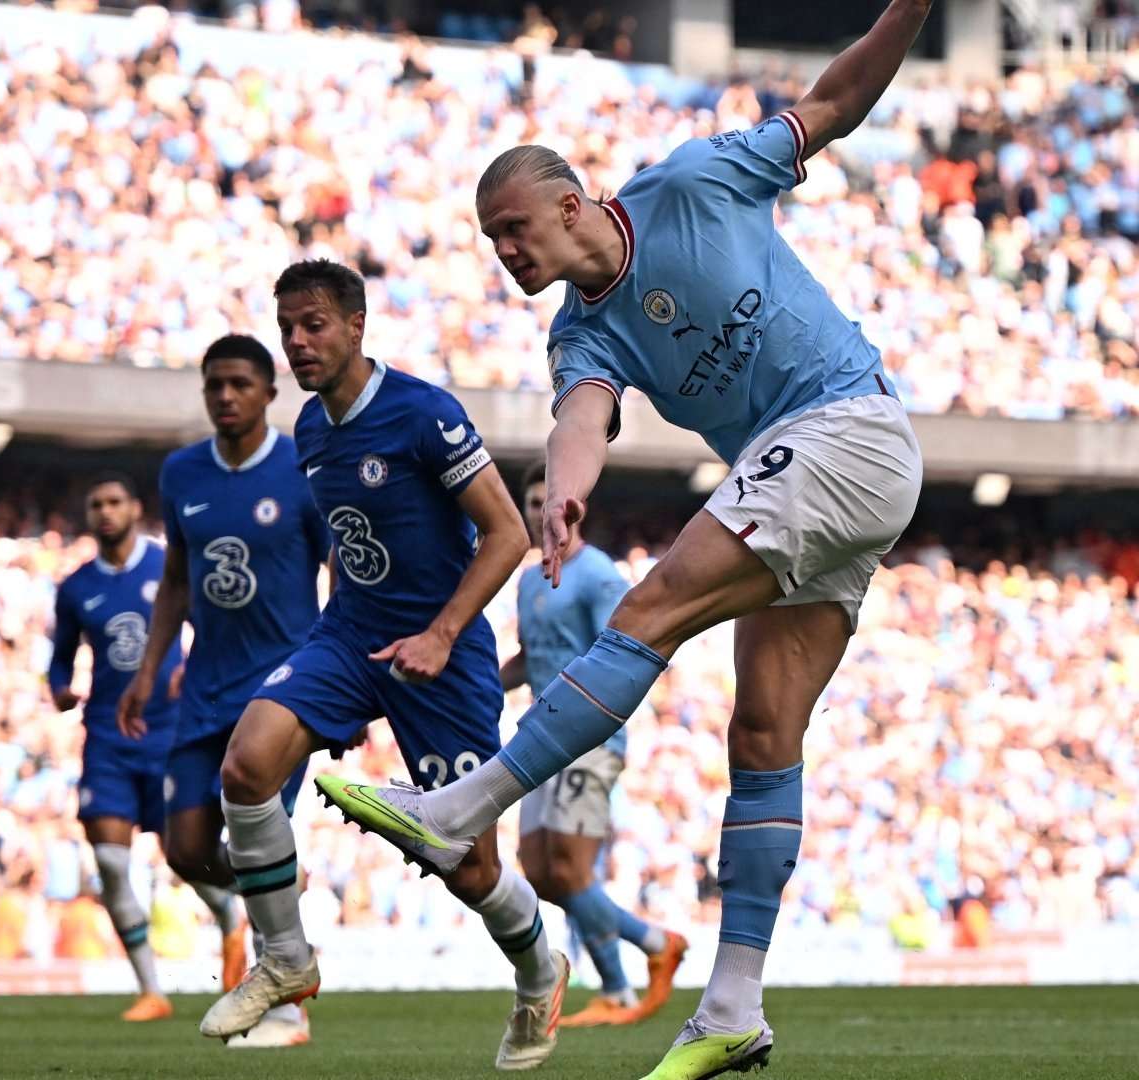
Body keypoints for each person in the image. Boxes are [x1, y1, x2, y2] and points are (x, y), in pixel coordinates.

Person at [317, 3, 933, 1076]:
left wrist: (907, 11)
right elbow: (582, 416)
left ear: (570, 202)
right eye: (490, 243)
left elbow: (829, 106)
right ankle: (732, 1005)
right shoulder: (582, 328)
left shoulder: (696, 181)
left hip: (845, 426)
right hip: (810, 472)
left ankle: (460, 809)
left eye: (513, 230)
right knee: (763, 736)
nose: (504, 253)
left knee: (648, 610)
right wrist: (563, 493)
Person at [202, 259, 569, 1072]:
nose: (297, 342)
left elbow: (508, 533)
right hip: (351, 637)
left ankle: (541, 973)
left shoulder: (422, 414)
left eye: (314, 325)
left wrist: (440, 633)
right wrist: (330, 637)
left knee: (469, 867)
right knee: (247, 763)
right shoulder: (310, 428)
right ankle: (286, 961)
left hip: (445, 653)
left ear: (356, 325)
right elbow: (351, 541)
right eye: (288, 327)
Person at [119, 333, 327, 1049]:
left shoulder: (303, 467)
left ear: (270, 392)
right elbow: (176, 577)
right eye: (215, 385)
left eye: (241, 384)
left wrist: (338, 675)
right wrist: (149, 671)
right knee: (183, 847)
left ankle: (288, 1009)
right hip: (203, 686)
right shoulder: (181, 474)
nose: (227, 396)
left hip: (280, 690)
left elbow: (344, 574)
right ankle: (281, 914)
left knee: (249, 839)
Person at [503, 462, 687, 1027]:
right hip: (541, 735)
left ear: (570, 509)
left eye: (547, 501)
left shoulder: (599, 575)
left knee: (571, 865)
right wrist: (475, 681)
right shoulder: (531, 578)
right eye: (531, 502)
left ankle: (618, 988)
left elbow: (621, 653)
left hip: (587, 737)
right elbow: (533, 659)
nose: (539, 512)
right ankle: (655, 943)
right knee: (537, 870)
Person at [48, 473, 187, 1021]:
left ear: (134, 508)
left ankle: (229, 926)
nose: (104, 511)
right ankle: (152, 988)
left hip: (170, 731)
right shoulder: (76, 586)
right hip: (106, 735)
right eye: (95, 504)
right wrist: (59, 686)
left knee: (190, 858)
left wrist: (192, 671)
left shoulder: (167, 566)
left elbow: (211, 629)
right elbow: (60, 656)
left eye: (113, 502)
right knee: (109, 861)